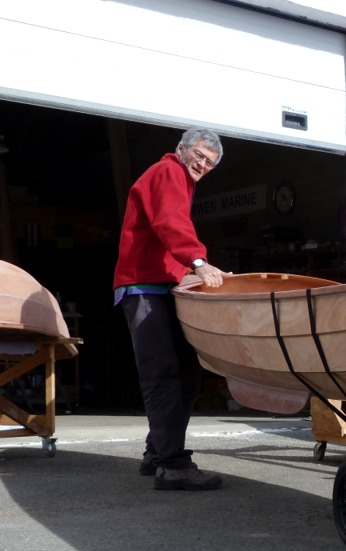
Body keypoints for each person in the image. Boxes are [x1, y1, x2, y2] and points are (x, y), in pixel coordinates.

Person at [113, 128, 230, 490]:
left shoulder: (181, 179)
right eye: (198, 154)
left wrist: (193, 272)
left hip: (160, 288)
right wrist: (199, 263)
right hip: (143, 288)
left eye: (209, 162)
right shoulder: (168, 172)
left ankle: (158, 452)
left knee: (185, 374)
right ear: (180, 149)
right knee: (164, 374)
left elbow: (163, 234)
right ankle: (172, 466)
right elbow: (169, 223)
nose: (202, 163)